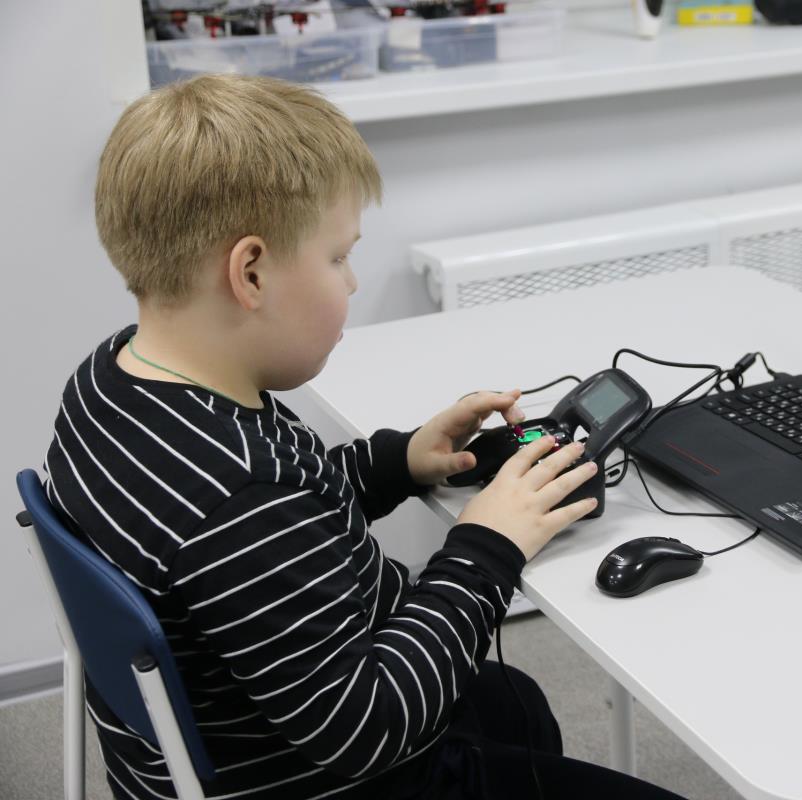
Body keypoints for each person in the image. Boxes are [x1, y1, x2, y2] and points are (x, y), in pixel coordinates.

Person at [44, 73, 685, 800]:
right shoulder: (239, 497)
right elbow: (367, 727)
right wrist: (487, 546)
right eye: (338, 257)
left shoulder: (112, 381)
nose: (351, 283)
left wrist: (397, 463)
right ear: (251, 273)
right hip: (341, 768)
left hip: (245, 727)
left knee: (514, 704)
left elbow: (289, 510)